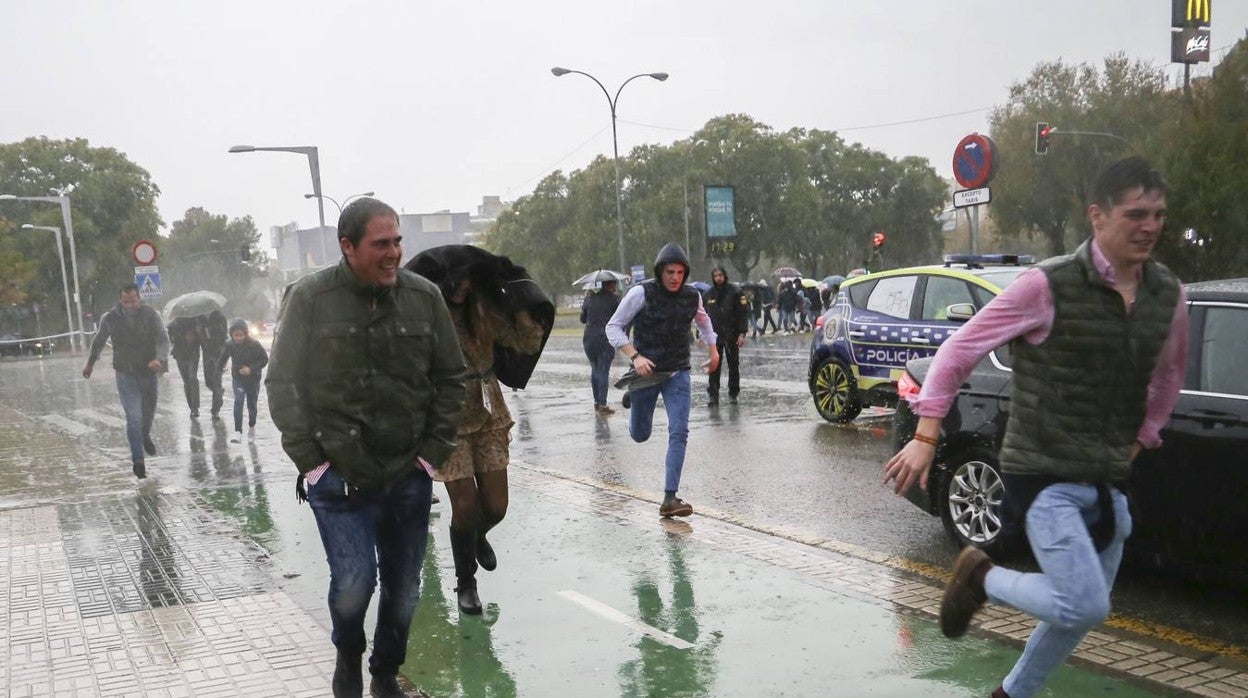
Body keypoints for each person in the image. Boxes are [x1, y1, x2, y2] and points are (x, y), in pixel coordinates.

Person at [883, 157, 1188, 698]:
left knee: (1076, 614)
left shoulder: (1167, 295)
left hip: (1108, 477)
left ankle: (1012, 693)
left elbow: (1167, 379)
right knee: (1087, 602)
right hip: (1043, 474)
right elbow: (959, 350)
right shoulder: (1046, 286)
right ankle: (979, 575)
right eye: (1136, 214)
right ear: (1098, 216)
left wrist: (1140, 442)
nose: (1150, 226)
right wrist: (926, 437)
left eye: (1159, 215)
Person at [265, 197, 468, 698]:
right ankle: (348, 657)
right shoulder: (311, 298)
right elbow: (283, 381)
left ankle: (383, 674)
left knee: (405, 591)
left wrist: (430, 456)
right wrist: (312, 463)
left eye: (397, 241)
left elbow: (450, 379)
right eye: (381, 243)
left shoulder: (425, 298)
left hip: (408, 473)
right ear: (348, 247)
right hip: (339, 475)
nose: (394, 252)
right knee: (354, 585)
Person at [405, 245, 553, 617]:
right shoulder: (429, 318)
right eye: (457, 280)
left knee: (496, 507)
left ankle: (477, 536)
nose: (463, 286)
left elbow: (526, 342)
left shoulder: (483, 310)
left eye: (470, 279)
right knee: (466, 506)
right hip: (447, 418)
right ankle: (465, 584)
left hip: (488, 415)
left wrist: (522, 308)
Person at [608, 242, 719, 518]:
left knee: (679, 431)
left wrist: (714, 350)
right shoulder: (640, 293)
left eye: (681, 272)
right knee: (640, 435)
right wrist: (635, 357)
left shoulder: (692, 296)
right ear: (660, 271)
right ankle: (633, 397)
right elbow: (613, 327)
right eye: (670, 272)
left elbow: (704, 321)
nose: (675, 278)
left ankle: (670, 498)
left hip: (677, 371)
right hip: (646, 373)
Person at [82, 283, 170, 479]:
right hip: (125, 373)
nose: (129, 305)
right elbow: (98, 340)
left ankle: (145, 435)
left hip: (148, 371)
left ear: (139, 299)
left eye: (133, 300)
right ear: (120, 300)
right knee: (134, 417)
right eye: (125, 301)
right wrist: (90, 363)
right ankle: (138, 460)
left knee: (147, 414)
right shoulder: (111, 318)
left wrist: (159, 358)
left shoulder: (151, 315)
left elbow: (163, 340)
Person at [700, 266, 749, 407]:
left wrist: (742, 333)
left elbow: (743, 314)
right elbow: (702, 316)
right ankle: (713, 396)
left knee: (733, 366)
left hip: (732, 335)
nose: (718, 278)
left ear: (725, 276)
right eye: (715, 276)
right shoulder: (708, 294)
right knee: (714, 366)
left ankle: (733, 393)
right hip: (714, 337)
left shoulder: (736, 292)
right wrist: (700, 334)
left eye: (720, 275)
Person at [167, 310, 227, 419]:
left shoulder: (201, 319)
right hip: (181, 354)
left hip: (200, 352)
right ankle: (193, 408)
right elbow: (172, 339)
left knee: (193, 378)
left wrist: (198, 335)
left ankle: (211, 407)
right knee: (190, 381)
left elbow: (220, 335)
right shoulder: (175, 324)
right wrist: (180, 337)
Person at [218, 318, 268, 442]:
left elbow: (264, 359)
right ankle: (237, 432)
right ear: (232, 335)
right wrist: (218, 371)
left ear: (245, 333)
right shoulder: (229, 345)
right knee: (238, 401)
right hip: (238, 378)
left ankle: (252, 427)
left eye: (241, 335)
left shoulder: (254, 345)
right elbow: (222, 358)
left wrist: (251, 369)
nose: (238, 338)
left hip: (253, 379)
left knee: (252, 405)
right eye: (236, 335)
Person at [581, 278, 622, 415]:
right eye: (615, 283)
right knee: (603, 370)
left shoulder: (590, 298)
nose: (616, 286)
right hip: (606, 338)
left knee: (595, 369)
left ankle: (597, 403)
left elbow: (583, 319)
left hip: (589, 339)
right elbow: (622, 318)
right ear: (611, 284)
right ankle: (603, 405)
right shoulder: (614, 300)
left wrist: (587, 299)